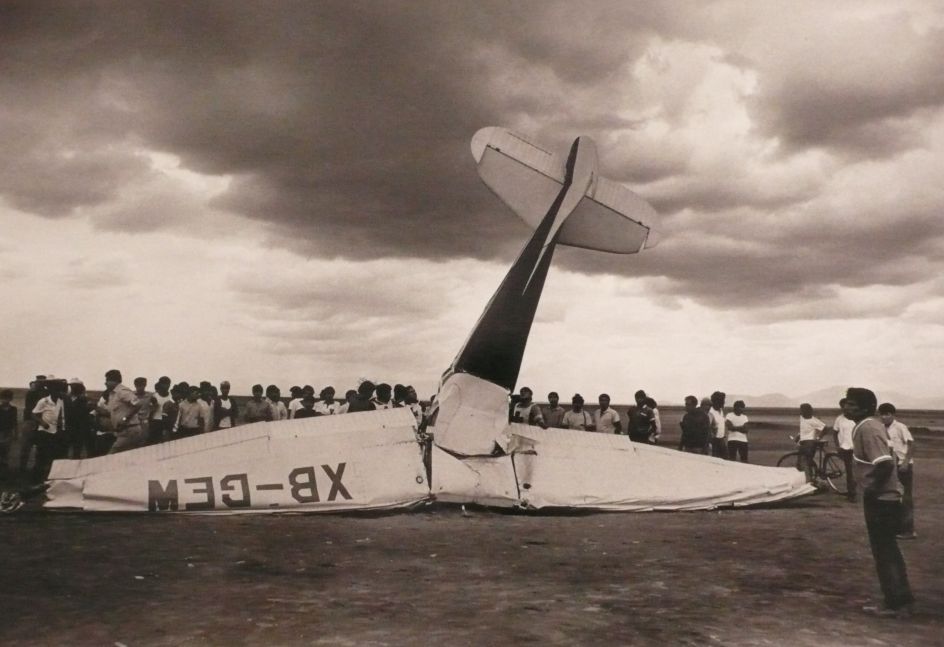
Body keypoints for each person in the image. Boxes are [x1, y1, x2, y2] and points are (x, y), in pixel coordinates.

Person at [846, 387, 914, 616]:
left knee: (884, 549)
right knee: (887, 549)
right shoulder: (871, 426)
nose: (846, 407)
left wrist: (872, 489)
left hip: (882, 499)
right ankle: (900, 599)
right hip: (885, 496)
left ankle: (896, 603)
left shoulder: (868, 428)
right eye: (846, 402)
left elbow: (884, 463)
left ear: (865, 407)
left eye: (852, 404)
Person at [879, 403, 916, 540]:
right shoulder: (882, 428)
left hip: (903, 465)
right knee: (892, 496)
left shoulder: (900, 427)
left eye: (887, 414)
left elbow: (912, 444)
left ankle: (909, 530)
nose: (884, 417)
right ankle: (896, 527)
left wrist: (906, 462)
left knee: (906, 498)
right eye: (881, 414)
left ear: (892, 415)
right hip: (891, 465)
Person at [99, 370, 148, 454]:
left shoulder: (122, 391)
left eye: (107, 380)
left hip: (130, 430)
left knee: (112, 455)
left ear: (114, 381)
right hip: (122, 432)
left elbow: (138, 404)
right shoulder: (112, 394)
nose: (105, 383)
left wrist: (125, 418)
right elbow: (113, 411)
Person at [31, 378, 67, 481]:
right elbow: (33, 414)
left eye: (59, 389)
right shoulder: (44, 401)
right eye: (54, 389)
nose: (57, 392)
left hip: (59, 432)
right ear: (50, 390)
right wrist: (42, 422)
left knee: (57, 457)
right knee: (42, 456)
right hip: (45, 432)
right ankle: (36, 479)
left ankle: (53, 479)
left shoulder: (63, 401)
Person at [19, 376, 48, 475]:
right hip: (33, 421)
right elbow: (32, 408)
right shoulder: (34, 393)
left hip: (35, 421)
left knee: (35, 446)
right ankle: (24, 468)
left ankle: (30, 468)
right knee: (27, 446)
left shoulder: (36, 392)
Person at [832, 398, 858, 502]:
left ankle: (855, 492)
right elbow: (835, 432)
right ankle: (851, 493)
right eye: (843, 407)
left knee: (857, 472)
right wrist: (837, 446)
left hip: (857, 449)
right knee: (850, 472)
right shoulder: (839, 419)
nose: (845, 409)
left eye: (847, 406)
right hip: (845, 448)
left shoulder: (856, 419)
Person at [797, 403, 826, 483]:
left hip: (809, 442)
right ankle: (808, 479)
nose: (801, 412)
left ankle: (809, 481)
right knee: (802, 461)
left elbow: (825, 428)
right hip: (803, 442)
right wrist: (799, 436)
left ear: (808, 411)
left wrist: (818, 438)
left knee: (805, 461)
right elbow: (803, 428)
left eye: (803, 410)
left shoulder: (813, 420)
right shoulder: (802, 418)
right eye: (801, 410)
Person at [64, 378, 93, 459]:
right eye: (72, 386)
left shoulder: (84, 399)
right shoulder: (67, 398)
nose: (73, 388)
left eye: (75, 386)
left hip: (81, 426)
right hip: (70, 426)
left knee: (79, 448)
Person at [147, 378, 173, 444]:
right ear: (160, 384)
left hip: (167, 422)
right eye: (164, 384)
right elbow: (150, 411)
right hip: (156, 422)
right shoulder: (154, 396)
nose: (166, 386)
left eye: (168, 384)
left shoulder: (171, 396)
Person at [0, 389, 18, 477]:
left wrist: (16, 433)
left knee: (6, 452)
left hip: (8, 433)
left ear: (10, 399)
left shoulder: (13, 409)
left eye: (7, 398)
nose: (5, 400)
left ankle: (4, 472)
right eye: (3, 398)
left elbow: (15, 422)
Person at [707, 391, 726, 458]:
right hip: (714, 441)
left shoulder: (721, 411)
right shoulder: (710, 412)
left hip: (722, 440)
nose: (724, 402)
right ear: (716, 401)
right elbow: (708, 428)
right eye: (722, 400)